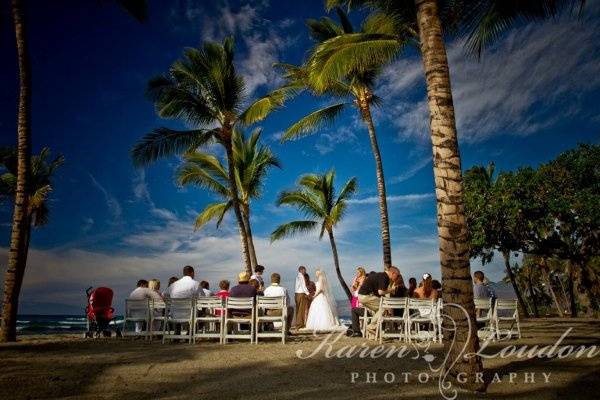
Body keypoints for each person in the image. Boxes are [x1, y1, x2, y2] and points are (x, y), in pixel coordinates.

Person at [357, 266, 400, 337]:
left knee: (377, 311)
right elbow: (380, 292)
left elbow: (378, 293)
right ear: (393, 273)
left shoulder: (381, 275)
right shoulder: (385, 277)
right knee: (383, 307)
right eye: (397, 276)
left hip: (362, 296)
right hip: (365, 296)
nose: (397, 278)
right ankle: (371, 326)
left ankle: (372, 335)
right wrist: (391, 290)